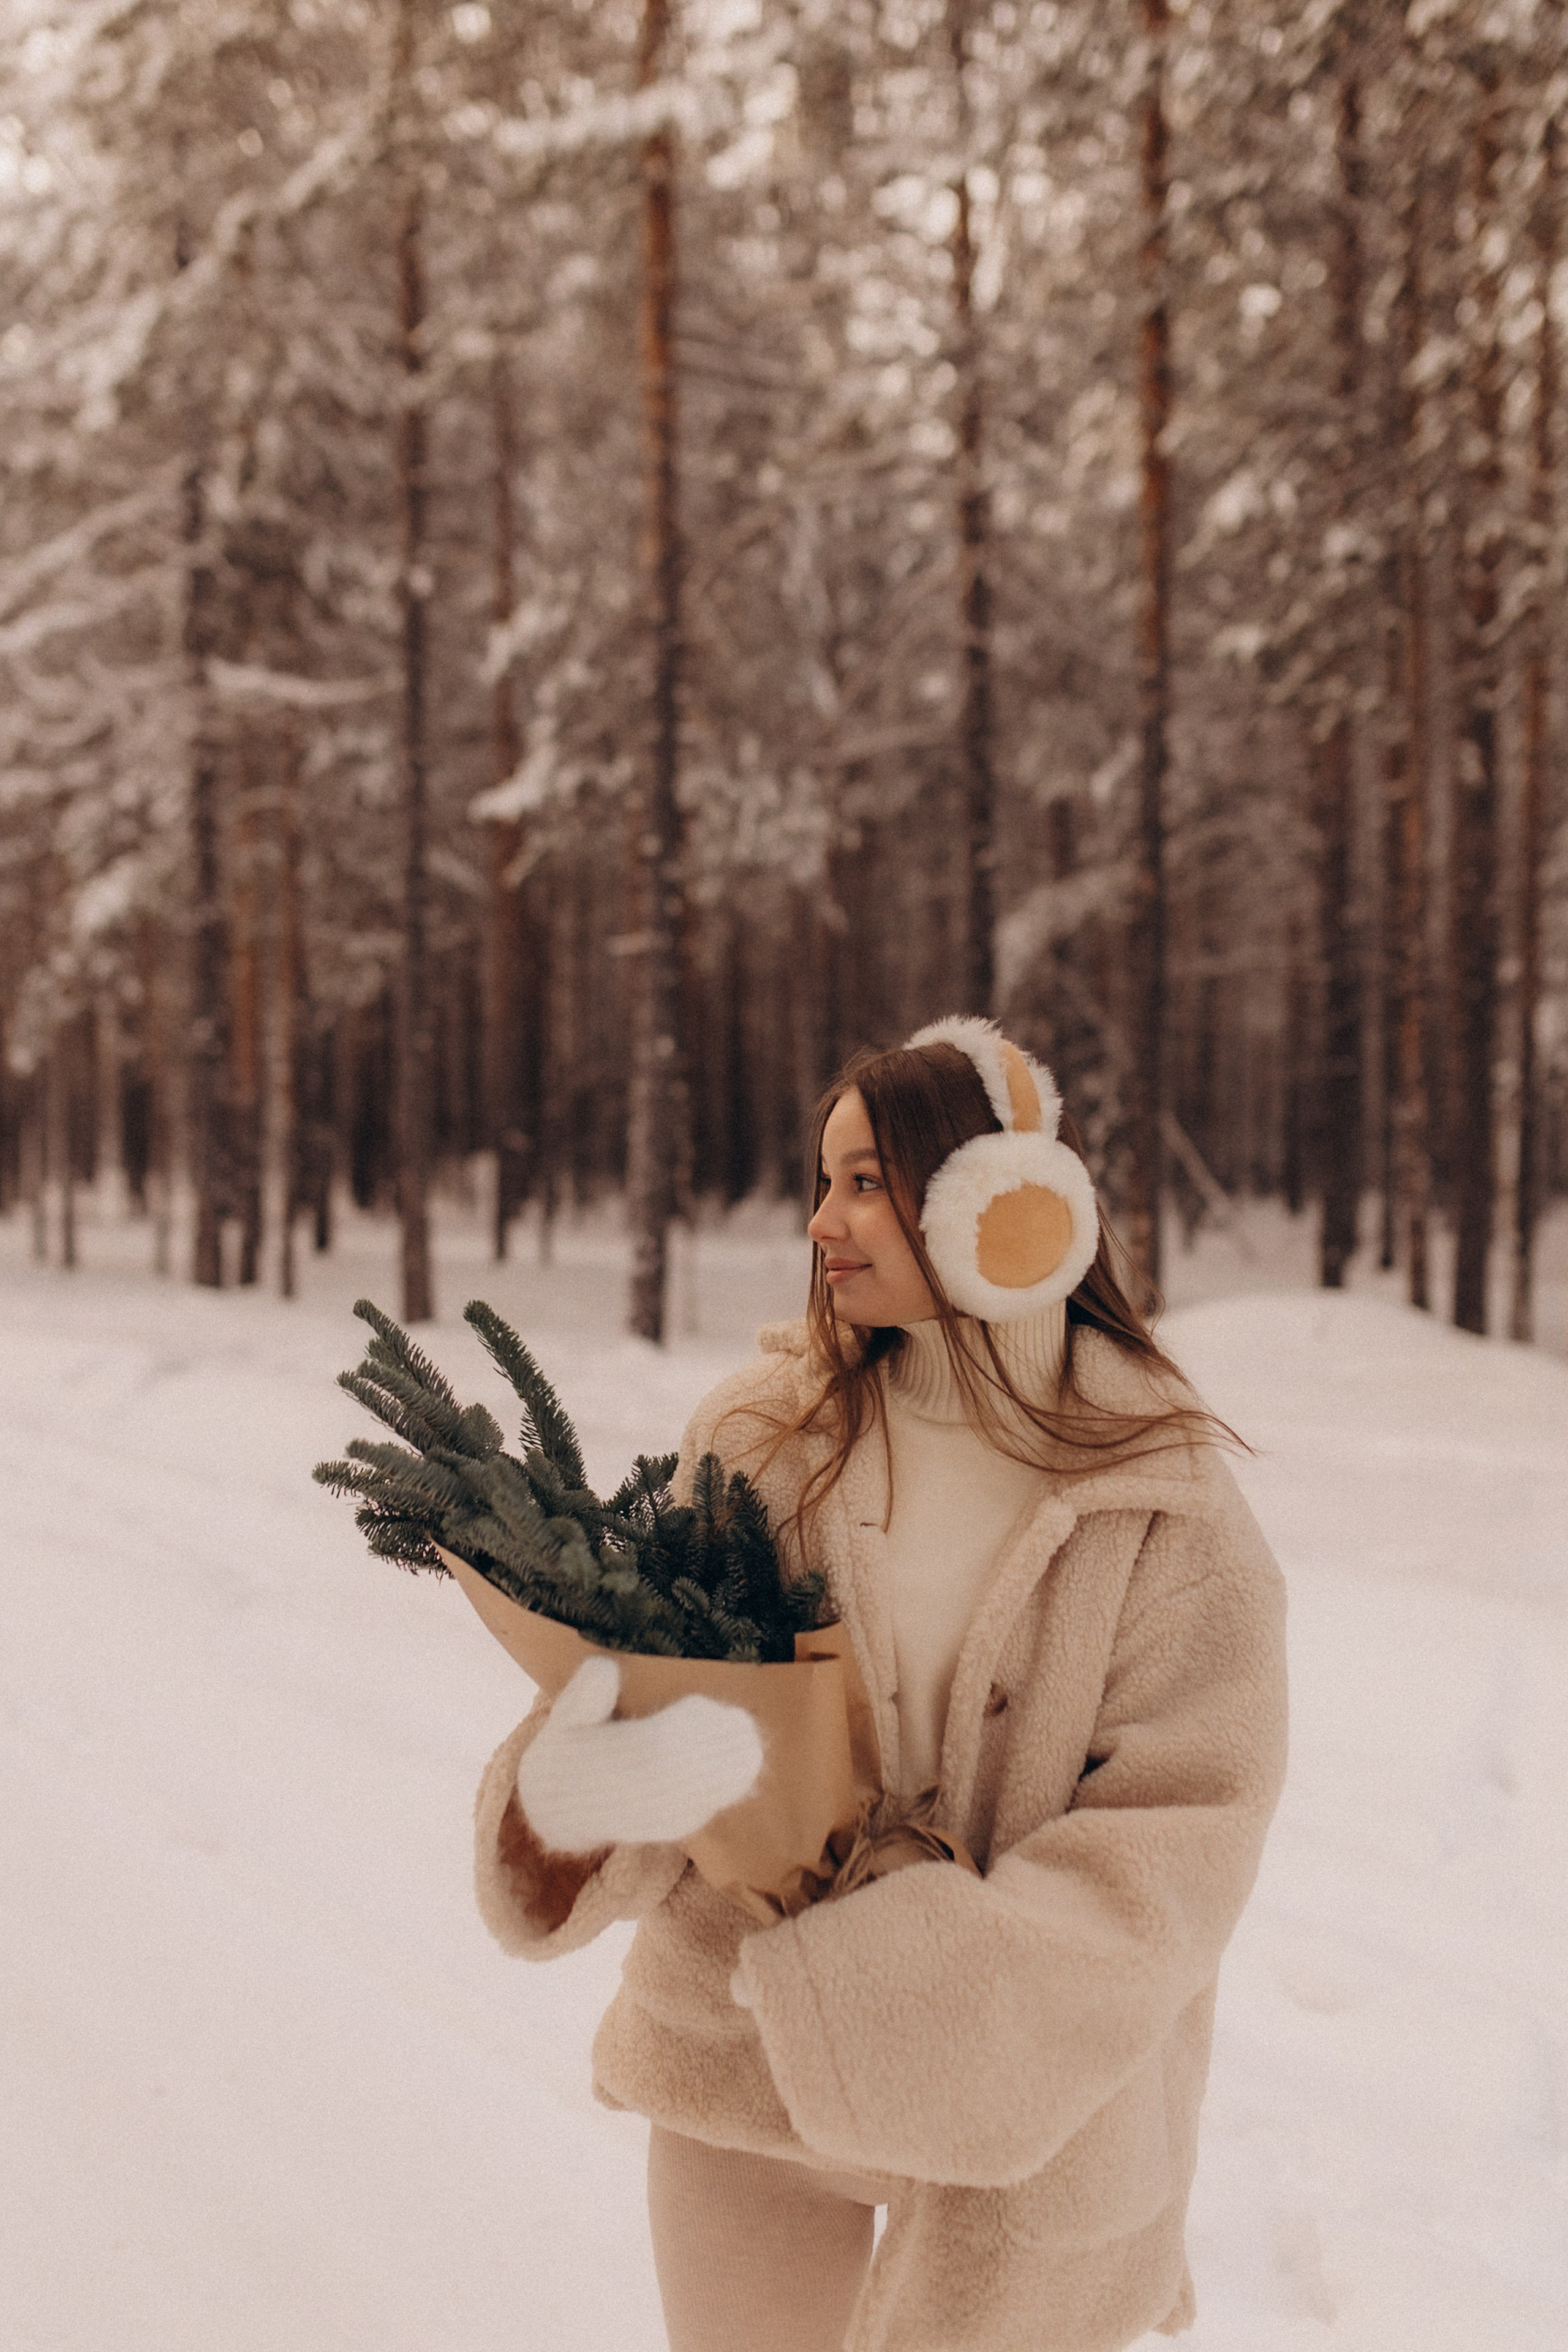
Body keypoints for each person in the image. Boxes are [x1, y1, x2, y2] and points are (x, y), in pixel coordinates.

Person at [474, 1019, 1288, 2352]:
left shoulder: (1161, 1497)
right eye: (820, 1179)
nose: (819, 1221)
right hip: (739, 2048)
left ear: (998, 1211)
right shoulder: (759, 1439)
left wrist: (926, 1988)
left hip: (1024, 2114)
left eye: (862, 1182)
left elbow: (1183, 1832)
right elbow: (666, 1677)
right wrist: (582, 1794)